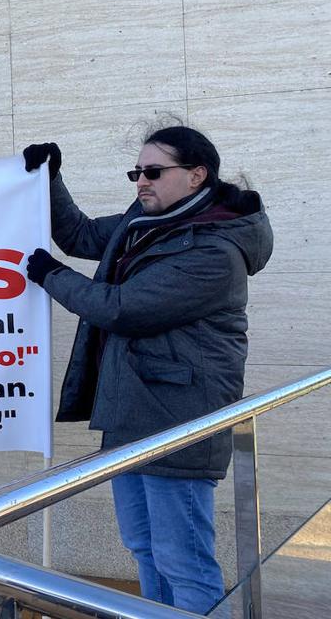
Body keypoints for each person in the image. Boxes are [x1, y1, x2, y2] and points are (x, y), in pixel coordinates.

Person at [22, 126, 272, 614]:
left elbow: (122, 308)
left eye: (154, 171)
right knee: (144, 548)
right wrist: (50, 179)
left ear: (197, 175)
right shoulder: (147, 221)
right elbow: (79, 234)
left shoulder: (215, 252)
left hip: (178, 423)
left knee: (185, 562)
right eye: (137, 171)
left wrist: (51, 275)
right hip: (131, 413)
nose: (141, 181)